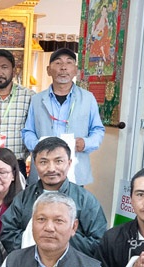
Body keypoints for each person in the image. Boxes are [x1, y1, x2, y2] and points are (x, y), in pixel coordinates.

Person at [0, 137, 107, 258]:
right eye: (44, 162)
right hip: (29, 264)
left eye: (58, 161)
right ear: (35, 164)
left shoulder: (85, 200)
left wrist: (60, 238)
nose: (51, 168)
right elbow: (7, 233)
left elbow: (99, 243)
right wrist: (37, 248)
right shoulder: (24, 197)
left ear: (69, 163)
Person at [22, 48, 105, 185]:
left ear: (75, 70)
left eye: (69, 63)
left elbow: (98, 130)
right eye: (58, 63)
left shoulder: (88, 98)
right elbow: (28, 131)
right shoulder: (37, 100)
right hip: (43, 170)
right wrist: (39, 146)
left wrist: (85, 143)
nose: (63, 67)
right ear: (49, 70)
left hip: (75, 170)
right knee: (41, 206)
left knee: (73, 206)